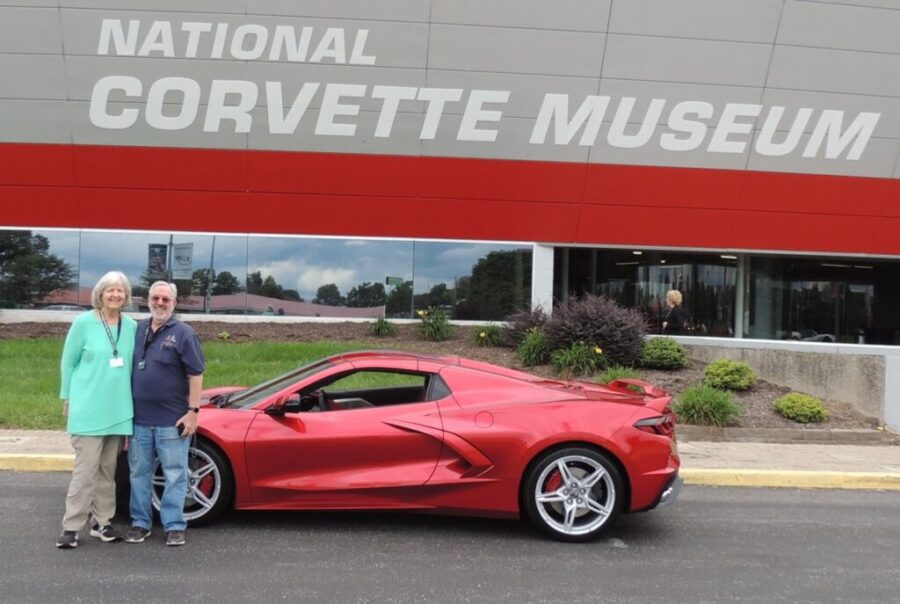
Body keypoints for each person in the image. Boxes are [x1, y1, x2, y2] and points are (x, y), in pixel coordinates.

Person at [56, 271, 137, 549]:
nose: (116, 295)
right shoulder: (83, 323)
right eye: (110, 290)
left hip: (118, 409)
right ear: (100, 294)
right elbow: (68, 362)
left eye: (121, 291)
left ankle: (103, 523)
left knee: (107, 470)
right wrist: (67, 397)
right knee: (85, 470)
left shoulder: (131, 326)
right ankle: (71, 526)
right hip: (88, 408)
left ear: (126, 297)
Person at [125, 281, 205, 547]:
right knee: (139, 473)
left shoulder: (184, 333)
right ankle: (140, 523)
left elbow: (196, 374)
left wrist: (193, 411)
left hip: (172, 420)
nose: (160, 303)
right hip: (139, 420)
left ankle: (173, 525)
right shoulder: (136, 330)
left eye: (165, 299)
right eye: (155, 298)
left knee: (175, 473)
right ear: (147, 299)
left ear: (174, 302)